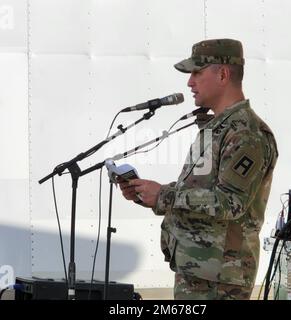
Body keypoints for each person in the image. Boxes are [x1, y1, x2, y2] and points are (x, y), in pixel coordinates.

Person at [118, 39, 278, 300]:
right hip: (200, 272)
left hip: (221, 280)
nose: (189, 82)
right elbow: (200, 193)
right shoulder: (216, 128)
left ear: (223, 74)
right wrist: (150, 195)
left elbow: (231, 202)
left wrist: (166, 195)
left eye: (197, 73)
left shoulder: (246, 134)